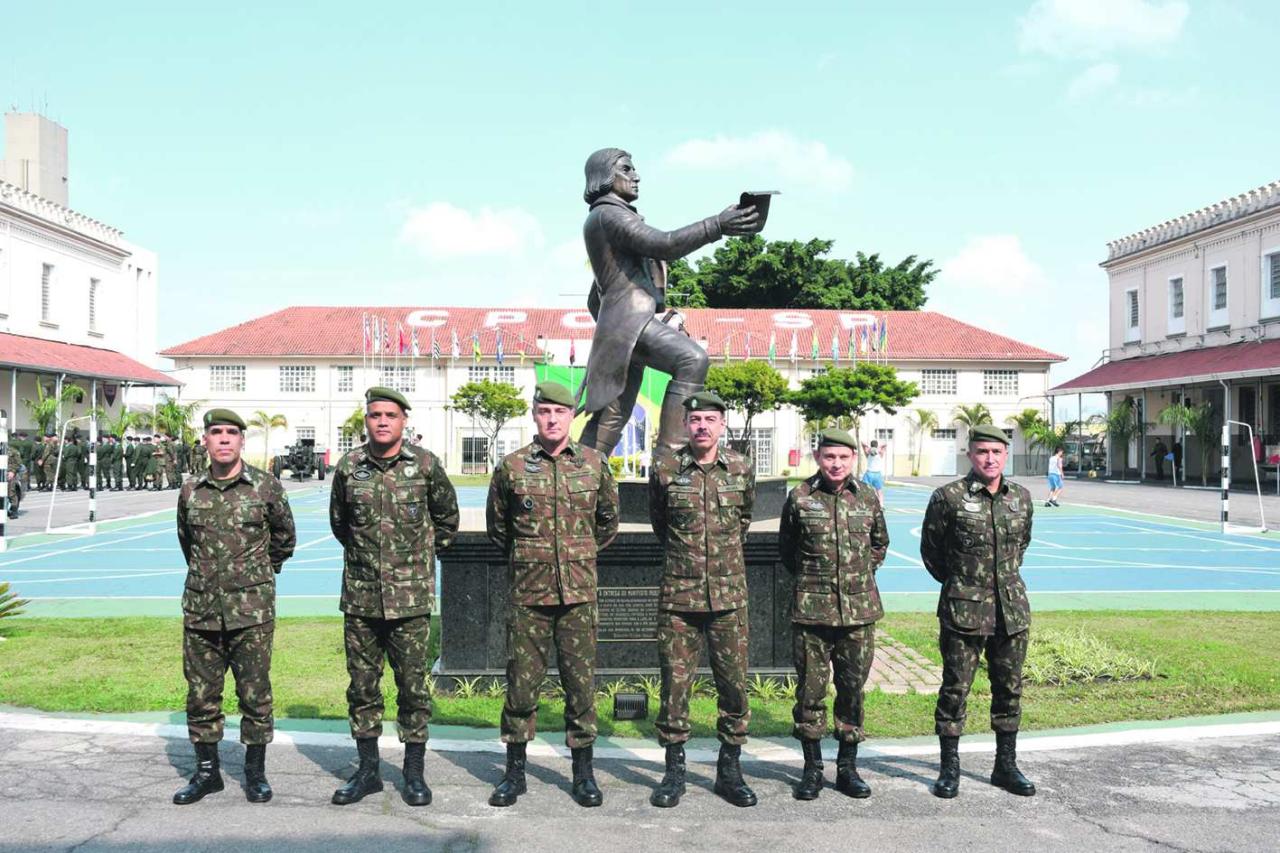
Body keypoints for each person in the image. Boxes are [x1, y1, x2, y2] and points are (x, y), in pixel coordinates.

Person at [485, 381, 620, 808]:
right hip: (529, 595)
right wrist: (537, 560)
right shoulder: (512, 467)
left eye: (559, 412)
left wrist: (575, 557)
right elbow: (498, 528)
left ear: (570, 417)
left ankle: (583, 774)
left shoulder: (594, 465)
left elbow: (608, 524)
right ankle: (515, 773)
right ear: (534, 415)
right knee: (521, 687)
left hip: (578, 594)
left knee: (580, 686)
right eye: (544, 411)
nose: (552, 419)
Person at [576, 148, 760, 457]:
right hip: (628, 323)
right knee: (692, 360)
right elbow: (665, 244)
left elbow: (596, 294)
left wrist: (615, 324)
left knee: (614, 412)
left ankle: (579, 473)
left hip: (624, 325)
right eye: (626, 169)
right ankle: (670, 461)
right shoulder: (609, 214)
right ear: (604, 177)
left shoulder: (602, 217)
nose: (635, 176)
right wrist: (717, 225)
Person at [329, 386, 459, 807]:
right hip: (362, 600)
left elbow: (447, 520)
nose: (382, 422)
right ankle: (367, 772)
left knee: (413, 690)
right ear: (365, 421)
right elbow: (341, 525)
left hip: (410, 602)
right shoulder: (350, 468)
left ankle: (414, 773)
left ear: (405, 420)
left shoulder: (424, 466)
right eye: (374, 415)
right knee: (363, 688)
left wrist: (413, 565)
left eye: (390, 415)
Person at [173, 408, 296, 805]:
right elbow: (187, 544)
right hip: (202, 609)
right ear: (205, 440)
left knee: (255, 694)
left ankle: (255, 773)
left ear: (242, 440)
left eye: (231, 432)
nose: (224, 439)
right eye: (215, 432)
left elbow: (284, 539)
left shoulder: (265, 487)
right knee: (201, 695)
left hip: (252, 612)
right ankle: (207, 773)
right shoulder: (191, 490)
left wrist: (257, 575)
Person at [648, 390, 757, 808]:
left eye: (710, 419)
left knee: (733, 688)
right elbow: (661, 522)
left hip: (728, 597)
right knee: (675, 687)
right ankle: (674, 772)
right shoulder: (665, 468)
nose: (702, 427)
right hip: (680, 597)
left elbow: (742, 519)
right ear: (686, 424)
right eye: (695, 420)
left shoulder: (741, 468)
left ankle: (730, 771)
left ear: (722, 424)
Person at [920, 424, 1036, 799]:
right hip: (963, 612)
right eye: (983, 451)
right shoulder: (947, 497)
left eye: (997, 452)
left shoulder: (1021, 497)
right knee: (955, 689)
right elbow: (932, 553)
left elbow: (1021, 547)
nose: (990, 458)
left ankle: (1005, 765)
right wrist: (964, 587)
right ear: (970, 454)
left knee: (1010, 690)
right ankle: (949, 769)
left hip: (1011, 611)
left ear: (1006, 454)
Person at [779, 428, 889, 800]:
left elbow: (879, 544)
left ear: (853, 459)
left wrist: (857, 577)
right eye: (829, 457)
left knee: (852, 692)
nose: (836, 464)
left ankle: (847, 768)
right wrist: (818, 582)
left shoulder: (868, 497)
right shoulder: (800, 497)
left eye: (843, 457)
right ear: (818, 458)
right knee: (810, 692)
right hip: (812, 613)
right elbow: (787, 549)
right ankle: (812, 770)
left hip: (858, 613)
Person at [860, 439, 886, 505]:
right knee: (879, 491)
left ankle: (864, 504)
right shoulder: (880, 453)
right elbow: (885, 445)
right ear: (876, 446)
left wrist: (869, 448)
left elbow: (862, 443)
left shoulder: (867, 453)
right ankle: (881, 505)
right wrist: (878, 449)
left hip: (869, 474)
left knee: (864, 490)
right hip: (877, 474)